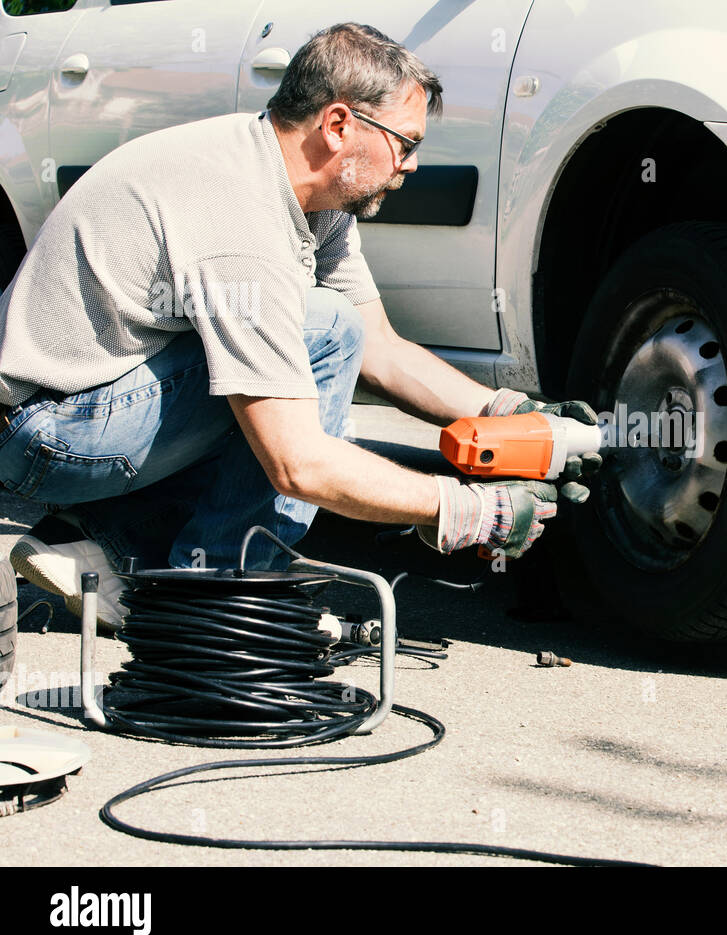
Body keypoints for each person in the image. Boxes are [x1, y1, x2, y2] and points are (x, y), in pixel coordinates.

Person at [0, 23, 598, 631]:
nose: (412, 166)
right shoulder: (240, 218)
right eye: (404, 143)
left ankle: (103, 547)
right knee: (321, 334)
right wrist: (463, 509)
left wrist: (512, 412)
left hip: (84, 411)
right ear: (338, 125)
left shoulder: (303, 193)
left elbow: (383, 352)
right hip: (48, 434)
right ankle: (229, 592)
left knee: (322, 337)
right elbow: (298, 464)